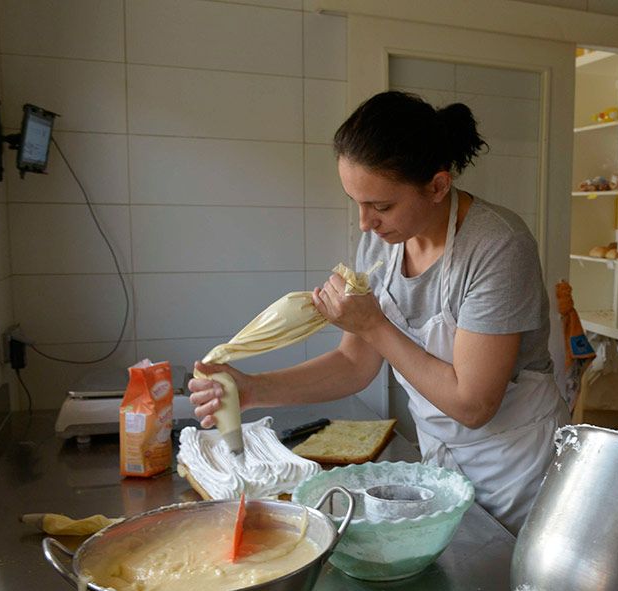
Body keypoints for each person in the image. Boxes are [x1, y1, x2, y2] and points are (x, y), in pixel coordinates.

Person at [190, 91, 565, 534]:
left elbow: (473, 403)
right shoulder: (382, 243)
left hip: (516, 469)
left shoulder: (497, 247)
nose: (365, 223)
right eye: (357, 202)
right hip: (441, 463)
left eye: (381, 206)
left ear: (438, 185)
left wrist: (372, 323)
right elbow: (354, 364)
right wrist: (254, 390)